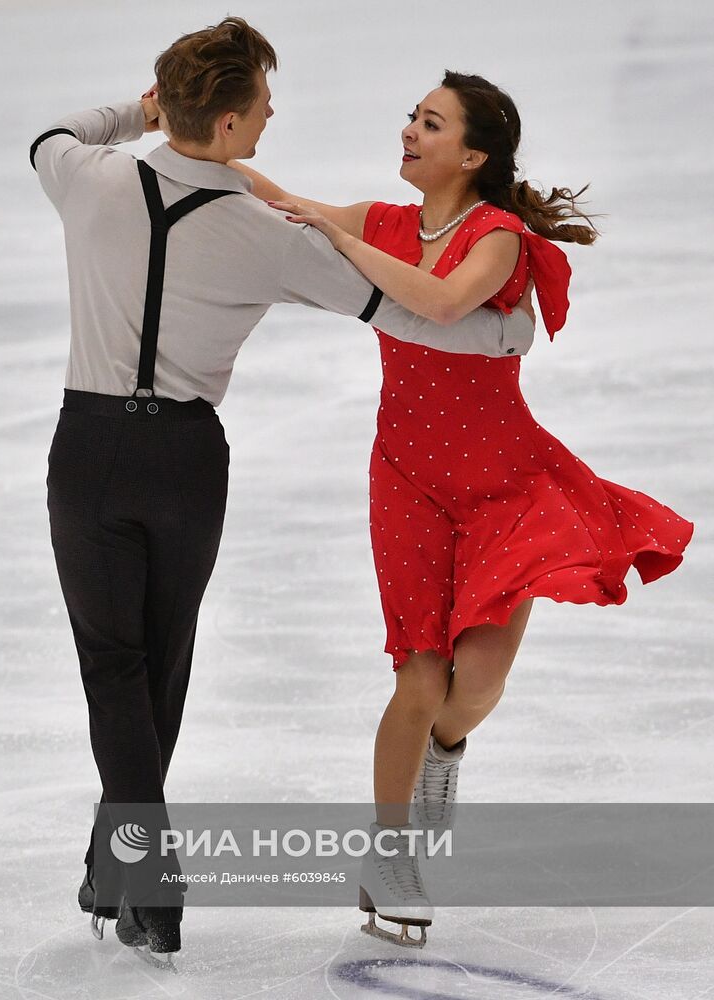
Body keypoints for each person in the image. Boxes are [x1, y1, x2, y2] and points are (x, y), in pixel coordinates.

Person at [29, 22, 536, 963]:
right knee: (161, 663)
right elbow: (406, 315)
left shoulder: (86, 180)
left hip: (86, 450)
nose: (275, 111)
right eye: (263, 100)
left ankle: (133, 866)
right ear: (228, 124)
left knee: (114, 665)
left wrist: (136, 110)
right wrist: (503, 341)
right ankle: (129, 869)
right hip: (184, 463)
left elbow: (51, 136)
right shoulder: (267, 239)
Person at [235, 70, 694, 947]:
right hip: (406, 478)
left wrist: (337, 242)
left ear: (472, 154)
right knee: (416, 674)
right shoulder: (386, 220)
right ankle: (388, 856)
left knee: (473, 683)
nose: (409, 129)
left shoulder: (498, 237)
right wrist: (202, 153)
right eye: (412, 115)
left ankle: (444, 750)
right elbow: (280, 195)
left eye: (430, 122)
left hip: (506, 488)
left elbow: (439, 303)